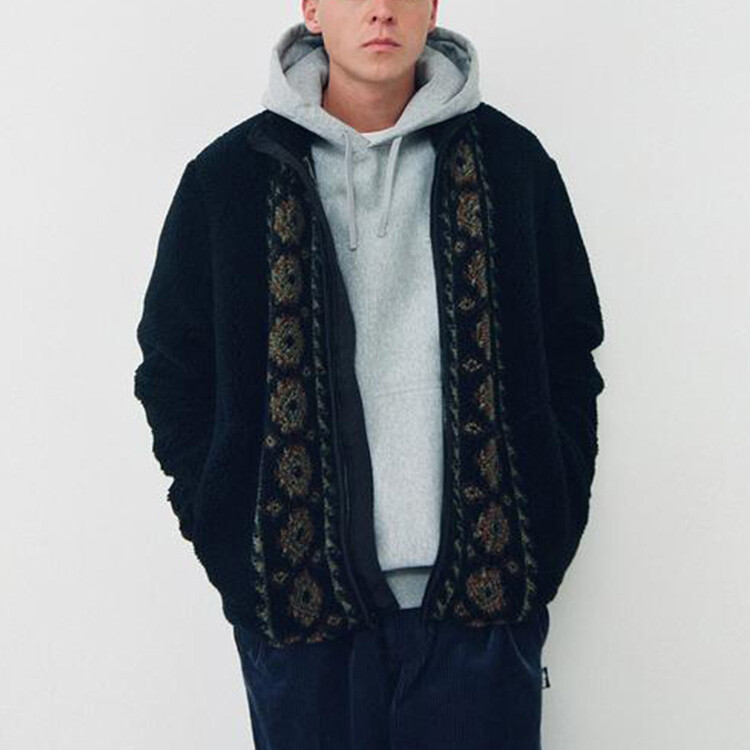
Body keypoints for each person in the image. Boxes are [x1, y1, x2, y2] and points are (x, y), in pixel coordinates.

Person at [133, 1, 606, 748]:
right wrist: (224, 525)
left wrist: (548, 515)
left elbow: (571, 348)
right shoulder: (229, 181)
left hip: (487, 609)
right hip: (298, 616)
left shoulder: (513, 167)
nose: (380, 10)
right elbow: (171, 372)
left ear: (432, 9)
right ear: (313, 9)